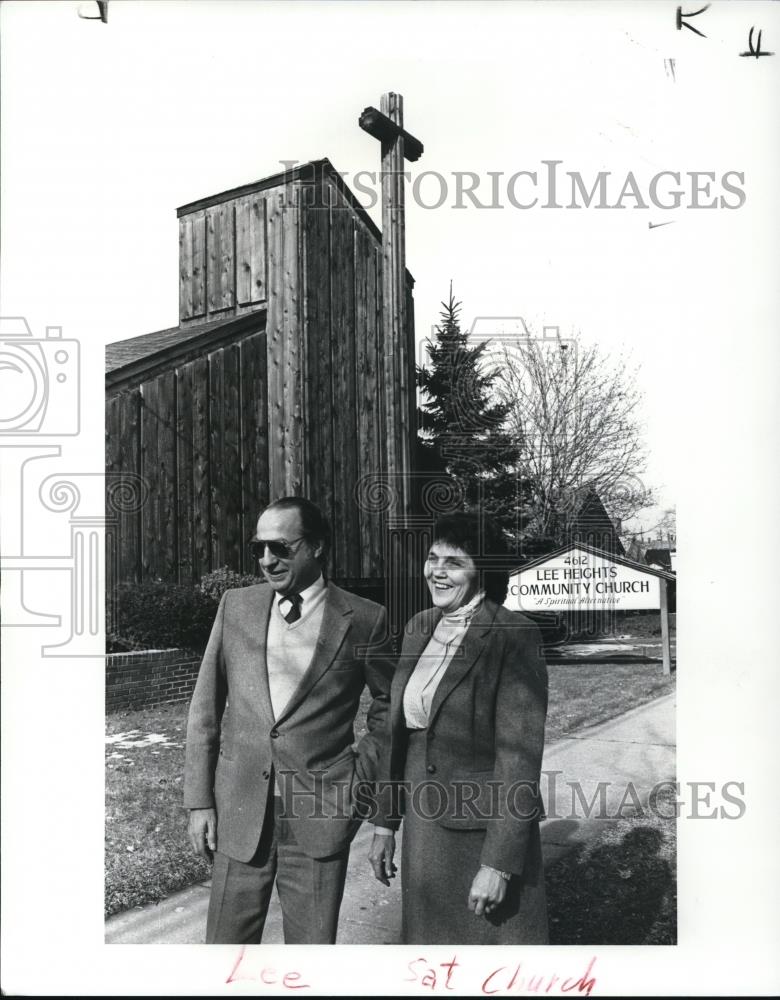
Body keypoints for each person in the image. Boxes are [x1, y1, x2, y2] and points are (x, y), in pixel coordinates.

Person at [184, 496, 393, 944]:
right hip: (240, 812)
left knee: (310, 961)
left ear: (316, 546)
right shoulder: (235, 606)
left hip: (320, 815)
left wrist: (360, 778)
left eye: (280, 547)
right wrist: (199, 800)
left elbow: (388, 709)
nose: (265, 560)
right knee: (226, 956)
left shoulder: (364, 620)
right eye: (258, 548)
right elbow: (204, 709)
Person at [368, 511, 549, 944]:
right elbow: (398, 737)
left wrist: (499, 863)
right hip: (425, 833)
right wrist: (384, 825)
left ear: (482, 571)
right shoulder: (418, 628)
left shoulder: (513, 636)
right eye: (433, 559)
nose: (437, 571)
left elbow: (518, 757)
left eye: (454, 562)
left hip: (482, 835)